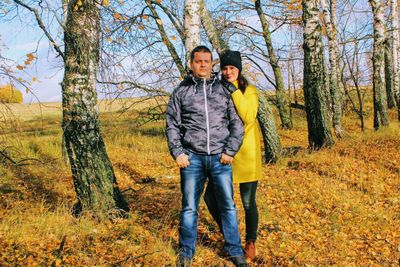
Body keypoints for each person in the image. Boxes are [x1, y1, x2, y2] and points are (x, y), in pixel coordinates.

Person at [166, 46, 248, 267]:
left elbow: (237, 124)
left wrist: (230, 151)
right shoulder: (181, 92)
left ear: (212, 64)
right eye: (198, 61)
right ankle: (186, 250)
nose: (203, 65)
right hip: (192, 159)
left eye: (207, 61)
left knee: (228, 206)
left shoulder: (224, 89)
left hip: (220, 159)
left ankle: (234, 249)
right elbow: (172, 124)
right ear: (191, 64)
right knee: (189, 207)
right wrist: (178, 152)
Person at [204, 50, 262, 263]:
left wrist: (234, 91)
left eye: (232, 68)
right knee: (210, 197)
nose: (227, 72)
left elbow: (248, 116)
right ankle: (232, 236)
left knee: (248, 202)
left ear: (239, 70)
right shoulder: (217, 89)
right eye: (225, 68)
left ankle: (250, 241)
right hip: (223, 153)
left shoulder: (250, 91)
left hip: (246, 154)